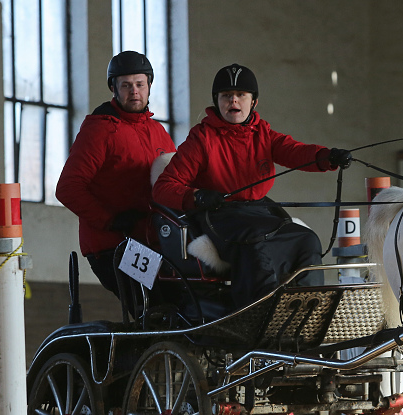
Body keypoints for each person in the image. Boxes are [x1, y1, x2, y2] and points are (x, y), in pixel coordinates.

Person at [152, 63, 352, 308]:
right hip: (221, 216)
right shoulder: (201, 138)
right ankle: (261, 316)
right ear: (217, 101)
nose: (233, 101)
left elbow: (295, 151)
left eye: (241, 95)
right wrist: (197, 196)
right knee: (257, 245)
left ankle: (308, 311)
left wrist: (328, 157)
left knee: (307, 240)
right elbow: (163, 188)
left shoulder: (263, 133)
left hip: (259, 212)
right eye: (226, 96)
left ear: (253, 102)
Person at [57, 50, 176, 296]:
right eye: (126, 85)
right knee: (162, 301)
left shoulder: (159, 133)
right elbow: (68, 188)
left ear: (149, 85)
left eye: (140, 84)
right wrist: (110, 220)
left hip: (152, 241)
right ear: (114, 88)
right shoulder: (99, 131)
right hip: (116, 245)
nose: (134, 91)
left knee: (185, 297)